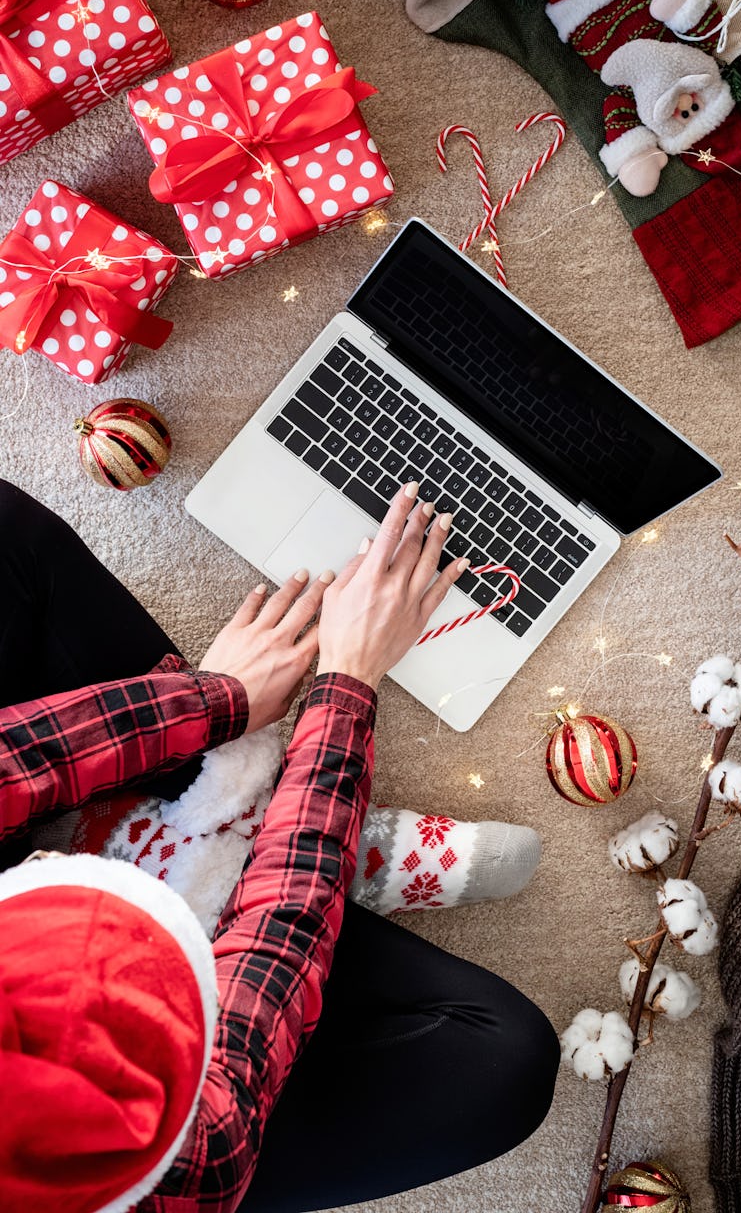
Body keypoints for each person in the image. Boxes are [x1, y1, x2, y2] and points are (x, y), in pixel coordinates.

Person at [0, 477, 559, 1213]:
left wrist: (217, 700)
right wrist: (346, 684)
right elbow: (269, 960)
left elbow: (17, 759)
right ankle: (270, 832)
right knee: (503, 1065)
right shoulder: (179, 1173)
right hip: (195, 1109)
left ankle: (242, 813)